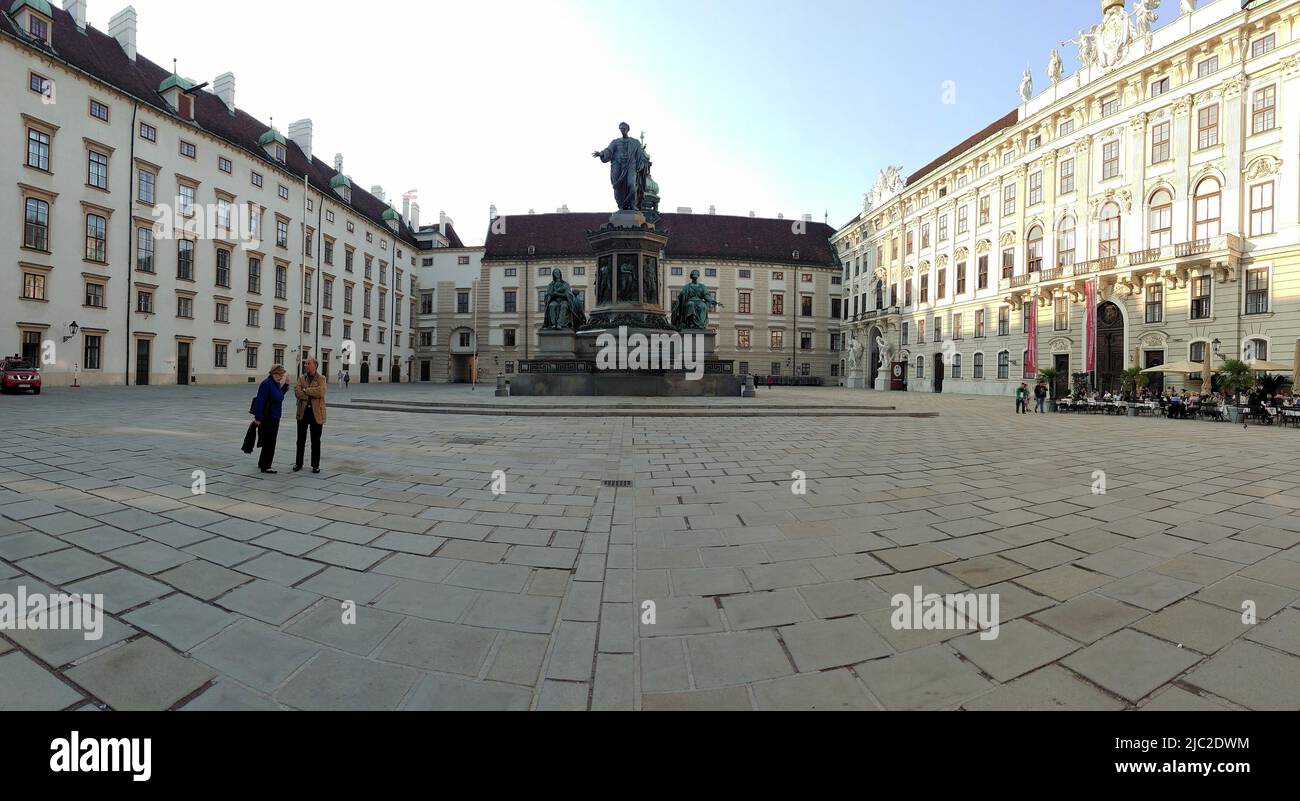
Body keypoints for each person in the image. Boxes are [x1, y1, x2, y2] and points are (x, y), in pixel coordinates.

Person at [252, 365, 289, 473]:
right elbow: (260, 401)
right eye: (279, 375)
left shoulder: (275, 383)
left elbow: (279, 396)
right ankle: (266, 465)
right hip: (268, 416)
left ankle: (262, 463)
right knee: (270, 442)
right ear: (273, 373)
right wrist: (258, 418)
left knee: (269, 441)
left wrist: (285, 386)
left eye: (281, 375)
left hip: (275, 415)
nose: (280, 377)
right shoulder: (266, 384)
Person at [294, 358, 327, 474]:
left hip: (316, 413)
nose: (306, 365)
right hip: (303, 413)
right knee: (300, 440)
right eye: (305, 364)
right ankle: (298, 463)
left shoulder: (321, 378)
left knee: (316, 440)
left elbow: (321, 392)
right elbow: (297, 392)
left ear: (315, 366)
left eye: (308, 363)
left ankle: (315, 465)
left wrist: (305, 390)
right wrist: (311, 393)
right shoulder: (301, 378)